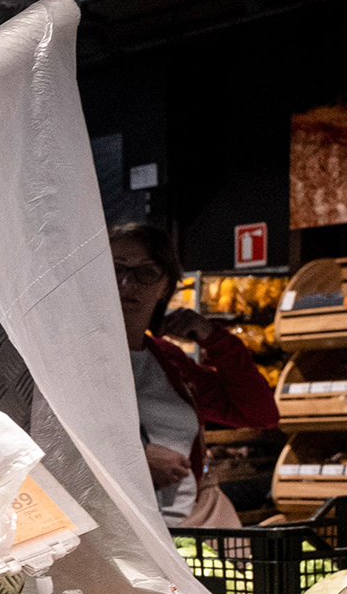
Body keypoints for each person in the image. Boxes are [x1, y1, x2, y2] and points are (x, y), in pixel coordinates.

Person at [111, 222, 277, 528]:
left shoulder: (169, 360)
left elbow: (259, 414)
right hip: (117, 529)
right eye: (114, 268)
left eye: (146, 272)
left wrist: (215, 338)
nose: (126, 282)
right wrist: (135, 457)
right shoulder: (73, 357)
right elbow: (51, 431)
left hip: (187, 530)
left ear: (165, 287)